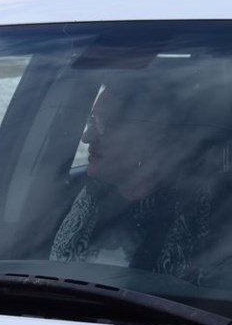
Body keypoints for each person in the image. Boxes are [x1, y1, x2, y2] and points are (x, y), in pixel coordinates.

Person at [49, 78, 212, 281]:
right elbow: (53, 280)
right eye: (91, 120)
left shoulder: (202, 213)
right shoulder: (84, 198)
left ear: (149, 137)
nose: (86, 137)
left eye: (101, 123)